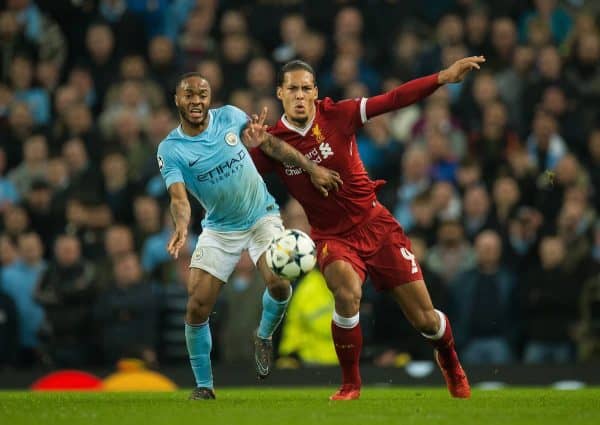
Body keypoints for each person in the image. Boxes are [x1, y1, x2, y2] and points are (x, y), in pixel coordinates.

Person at [250, 56, 486, 400]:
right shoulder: (271, 143)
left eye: (305, 88)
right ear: (279, 93)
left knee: (425, 321)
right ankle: (350, 384)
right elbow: (240, 179)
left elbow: (392, 100)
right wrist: (247, 147)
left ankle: (448, 358)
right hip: (332, 237)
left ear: (315, 91)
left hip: (376, 226)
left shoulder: (337, 114)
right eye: (292, 89)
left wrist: (442, 77)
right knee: (346, 292)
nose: (299, 95)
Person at [157, 72, 342, 400]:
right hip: (219, 228)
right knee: (197, 305)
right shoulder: (171, 148)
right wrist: (182, 225)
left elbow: (271, 145)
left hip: (262, 217)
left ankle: (264, 335)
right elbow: (178, 197)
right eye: (189, 95)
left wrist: (312, 170)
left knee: (280, 283)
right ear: (177, 99)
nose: (197, 101)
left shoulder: (229, 116)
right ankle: (204, 386)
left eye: (202, 94)